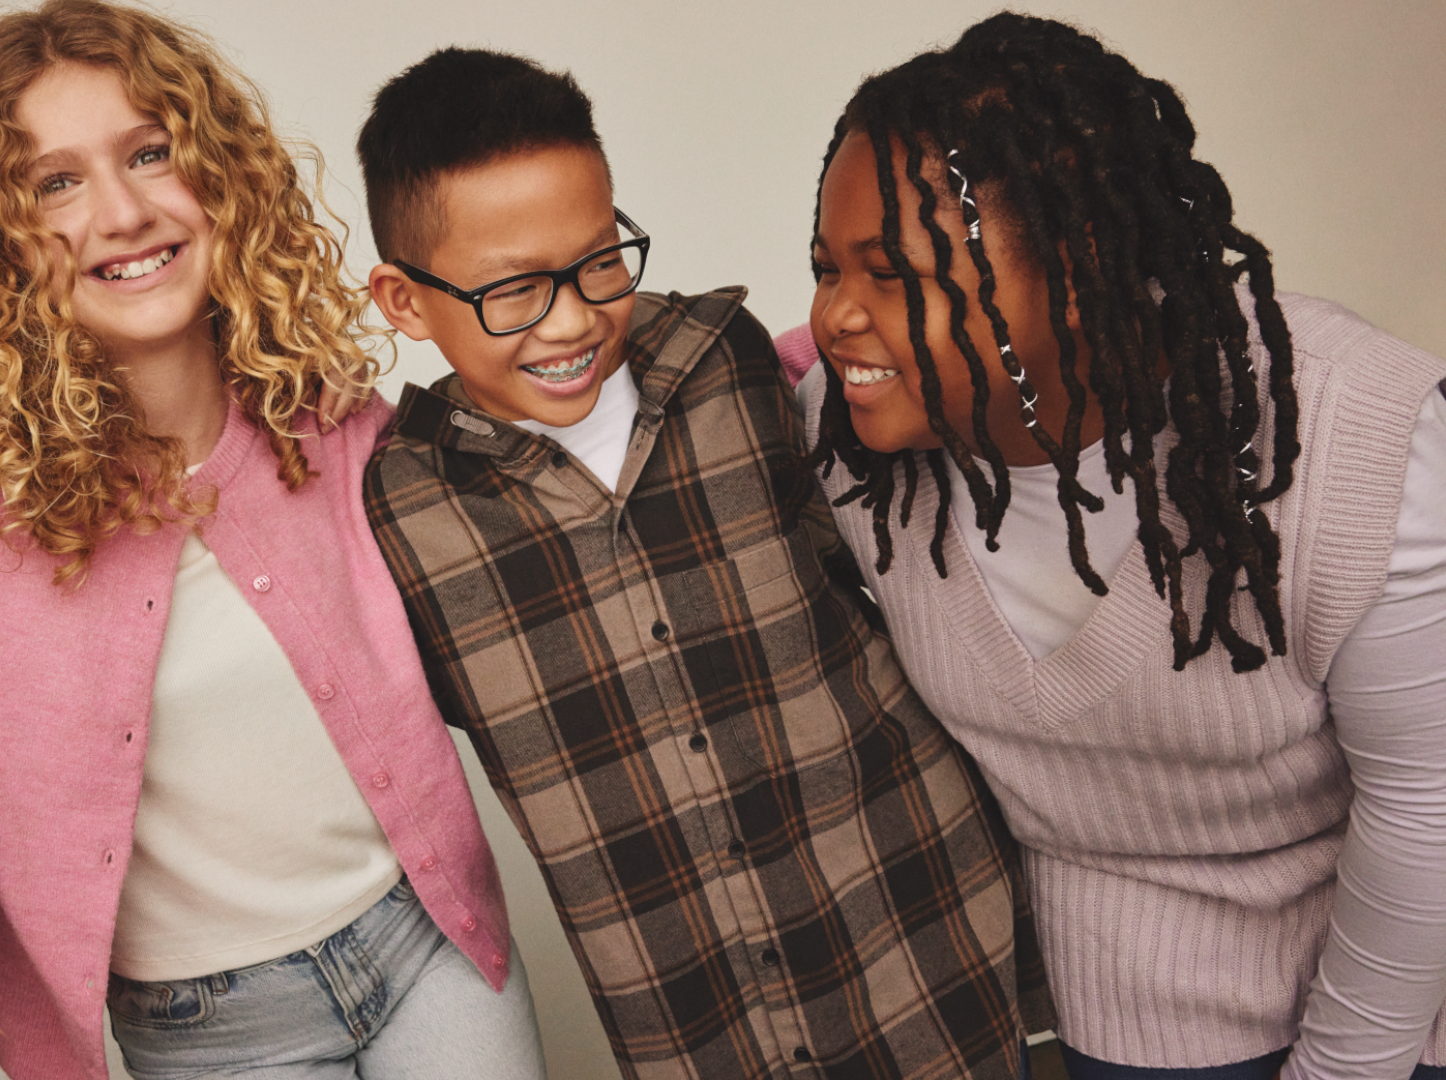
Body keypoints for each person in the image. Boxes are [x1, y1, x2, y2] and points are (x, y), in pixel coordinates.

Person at [0, 3, 545, 1078]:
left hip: (433, 945)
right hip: (215, 1032)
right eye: (54, 182)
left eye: (150, 153)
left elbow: (541, 437)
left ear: (217, 176)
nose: (120, 211)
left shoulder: (327, 415)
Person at [359, 47, 1049, 1080]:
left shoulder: (728, 361)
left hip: (925, 937)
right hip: (700, 1026)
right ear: (405, 303)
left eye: (599, 261)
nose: (572, 319)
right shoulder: (401, 511)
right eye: (512, 292)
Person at [794, 14, 1446, 1080]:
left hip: (1404, 984)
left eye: (892, 276)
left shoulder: (1344, 434)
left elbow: (1429, 804)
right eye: (825, 269)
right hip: (1138, 1007)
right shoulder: (856, 447)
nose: (835, 317)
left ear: (1076, 259)